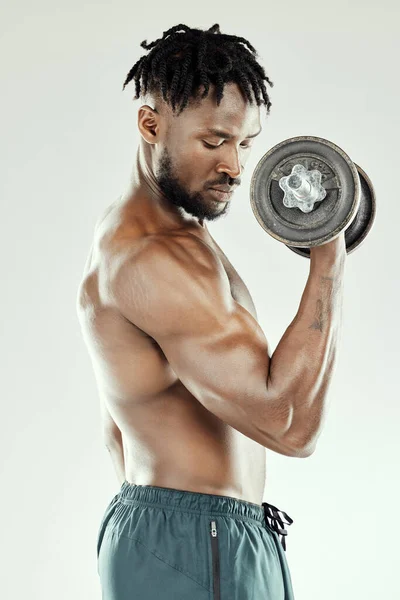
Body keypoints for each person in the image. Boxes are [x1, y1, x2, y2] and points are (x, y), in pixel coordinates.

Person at [76, 22, 346, 600]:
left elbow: (117, 430)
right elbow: (290, 425)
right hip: (196, 541)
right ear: (151, 124)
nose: (235, 167)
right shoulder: (155, 257)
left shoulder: (160, 234)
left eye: (244, 144)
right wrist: (328, 262)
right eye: (214, 141)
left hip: (200, 535)